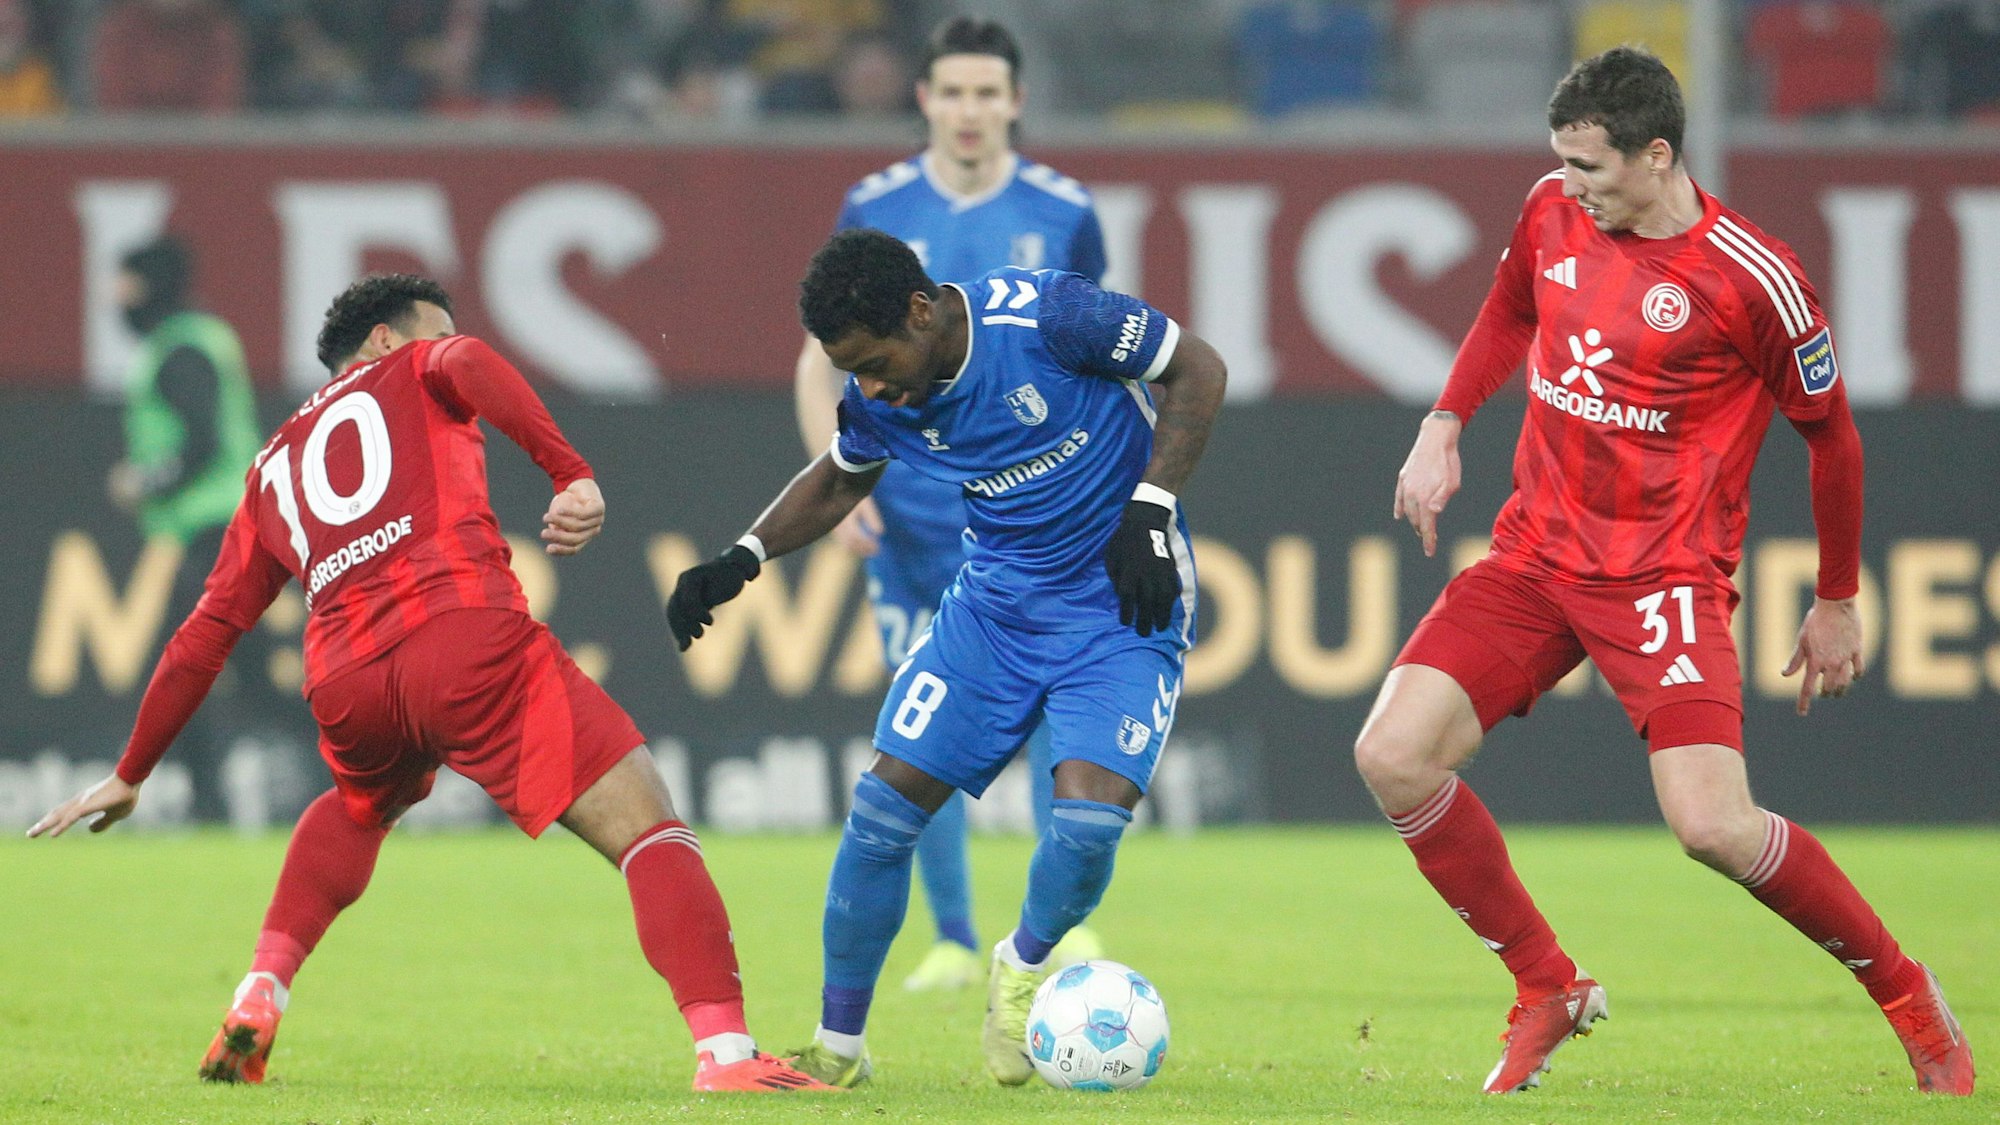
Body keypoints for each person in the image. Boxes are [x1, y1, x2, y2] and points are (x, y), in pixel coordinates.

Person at [31, 275, 837, 1096]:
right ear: (384, 338)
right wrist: (570, 471)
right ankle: (729, 1055)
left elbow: (206, 635)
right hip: (461, 637)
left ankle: (260, 987)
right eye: (430, 332)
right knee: (647, 825)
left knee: (359, 803)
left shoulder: (271, 466)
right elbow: (471, 358)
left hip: (346, 679)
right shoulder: (417, 365)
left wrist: (131, 770)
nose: (440, 345)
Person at [1358, 47, 1974, 1097]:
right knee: (1392, 754)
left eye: (1590, 167)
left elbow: (1831, 441)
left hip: (1661, 579)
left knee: (1712, 828)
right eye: (1560, 162)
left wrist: (1835, 598)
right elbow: (1511, 307)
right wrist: (1443, 423)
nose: (1570, 183)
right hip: (1534, 555)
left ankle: (1910, 998)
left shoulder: (1752, 277)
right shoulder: (1551, 211)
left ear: (1655, 157)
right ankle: (1544, 984)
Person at [670, 228, 1225, 1086]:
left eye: (876, 359)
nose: (870, 384)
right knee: (883, 813)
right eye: (850, 370)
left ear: (923, 310)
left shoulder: (1052, 316)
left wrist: (1150, 507)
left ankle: (1023, 964)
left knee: (1086, 822)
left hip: (1117, 602)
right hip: (993, 612)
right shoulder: (884, 398)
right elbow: (841, 475)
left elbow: (1200, 368)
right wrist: (742, 557)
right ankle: (839, 1049)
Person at [792, 14, 1110, 994]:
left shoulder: (1063, 210)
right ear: (923, 100)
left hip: (1030, 518)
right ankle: (955, 939)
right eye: (952, 92)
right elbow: (819, 361)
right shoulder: (875, 202)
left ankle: (1054, 928)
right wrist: (840, 487)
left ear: (1014, 101)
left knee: (1063, 701)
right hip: (916, 521)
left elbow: (1090, 354)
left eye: (987, 92)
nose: (969, 110)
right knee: (920, 715)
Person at [109, 235, 266, 801]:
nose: (114, 295)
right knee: (241, 674)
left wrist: (143, 481)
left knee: (190, 673)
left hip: (213, 532)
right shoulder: (205, 339)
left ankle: (210, 801)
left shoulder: (179, 350)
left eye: (123, 281)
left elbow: (202, 442)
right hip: (233, 531)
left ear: (148, 285)